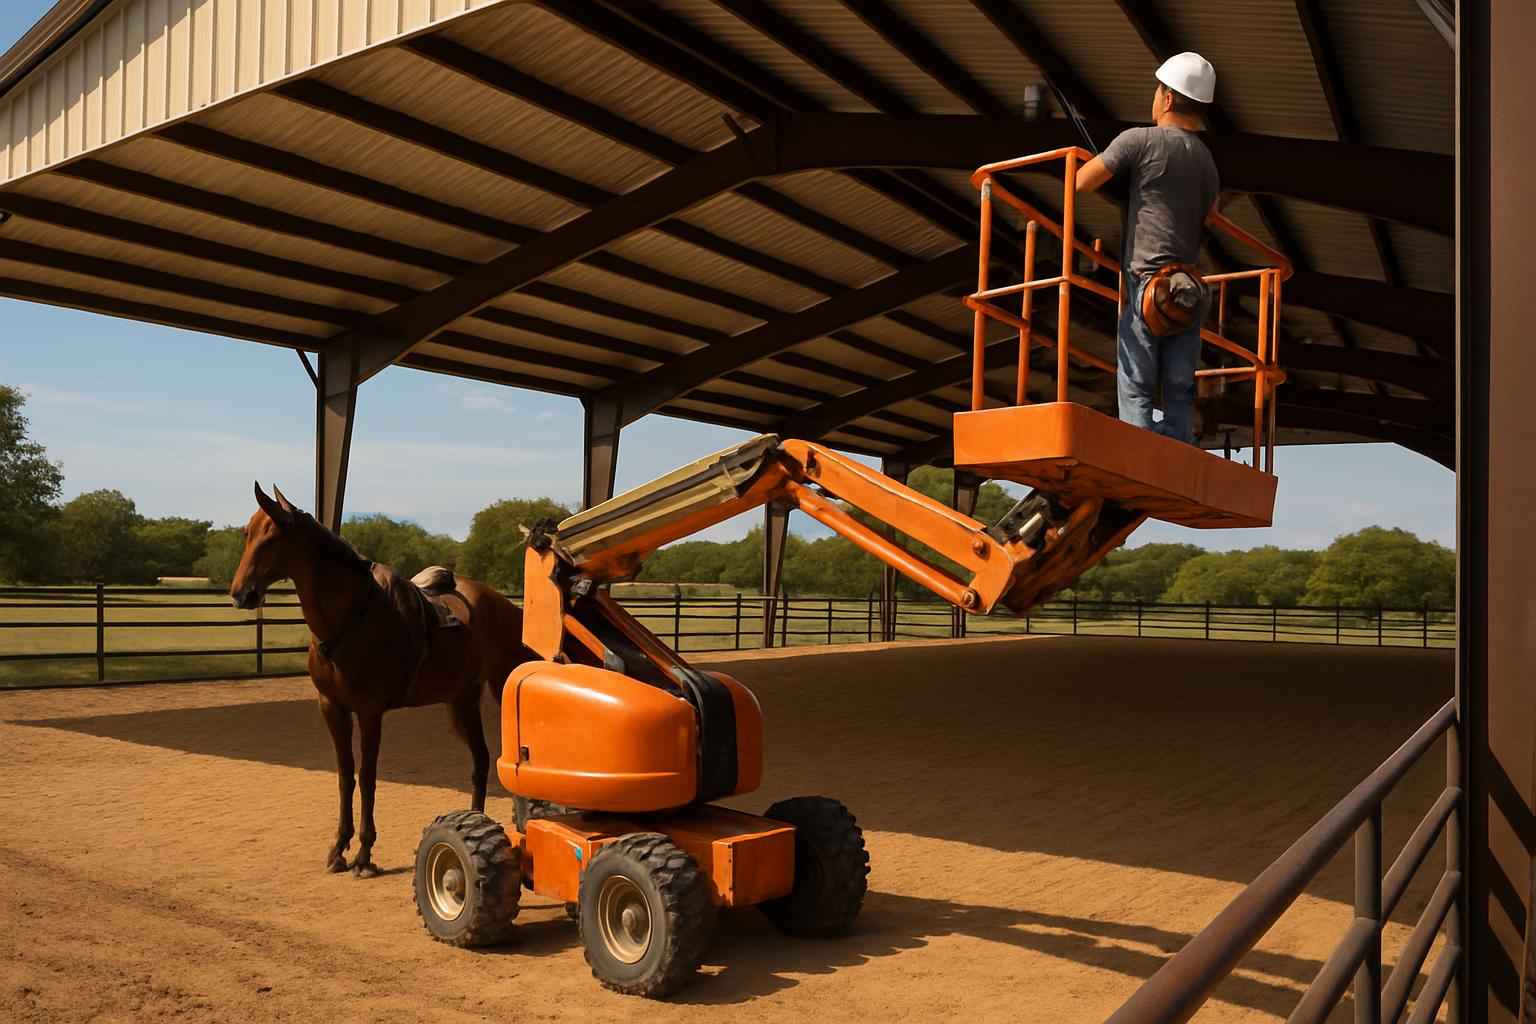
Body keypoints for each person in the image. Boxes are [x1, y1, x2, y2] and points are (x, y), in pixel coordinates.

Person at [1075, 52, 1220, 445]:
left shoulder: (1138, 140)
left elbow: (1082, 181)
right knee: (1179, 382)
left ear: (1168, 98)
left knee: (1136, 376)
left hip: (1147, 283)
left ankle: (1137, 443)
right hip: (1187, 289)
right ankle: (1177, 444)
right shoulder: (1207, 160)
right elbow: (1209, 215)